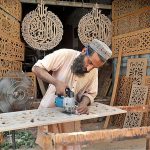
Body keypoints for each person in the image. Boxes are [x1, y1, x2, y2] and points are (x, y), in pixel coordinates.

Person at [32, 39, 112, 150]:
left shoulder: (93, 70)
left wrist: (84, 103)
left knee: (70, 145)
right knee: (50, 146)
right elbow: (36, 68)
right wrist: (56, 83)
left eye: (94, 66)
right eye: (89, 62)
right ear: (84, 51)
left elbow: (90, 93)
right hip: (48, 112)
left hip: (70, 114)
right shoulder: (64, 54)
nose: (89, 68)